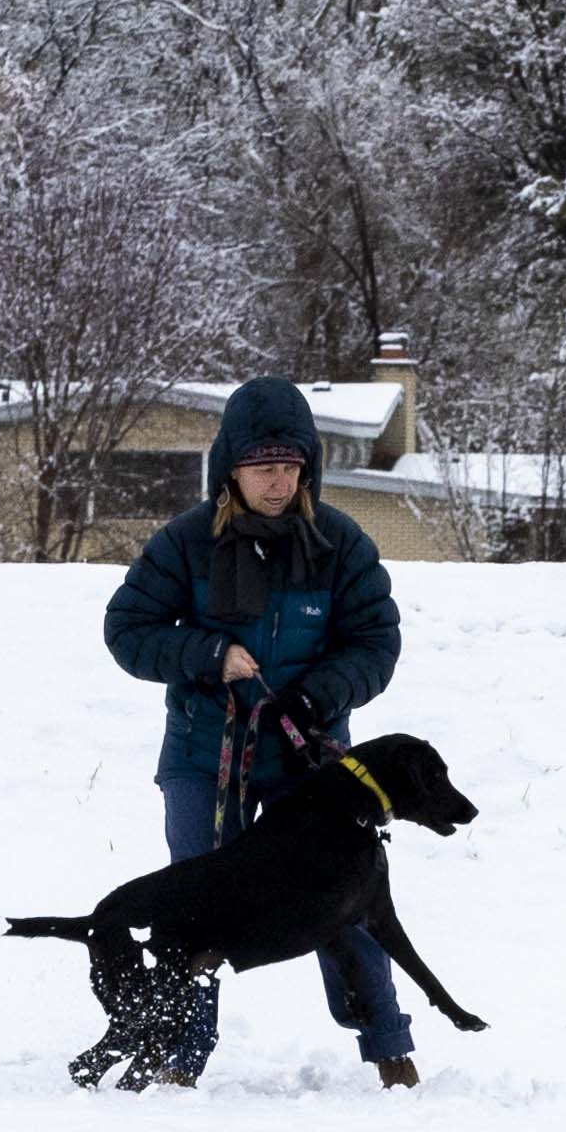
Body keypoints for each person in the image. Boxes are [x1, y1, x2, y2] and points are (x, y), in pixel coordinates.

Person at [101, 375, 414, 1087]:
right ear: (230, 468)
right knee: (192, 908)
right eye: (262, 466)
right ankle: (177, 1058)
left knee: (346, 900)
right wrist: (207, 655)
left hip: (311, 761)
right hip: (204, 754)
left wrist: (319, 695)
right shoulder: (185, 543)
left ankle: (391, 1052)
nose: (278, 482)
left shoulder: (339, 543)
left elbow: (375, 641)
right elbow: (127, 630)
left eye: (290, 465)